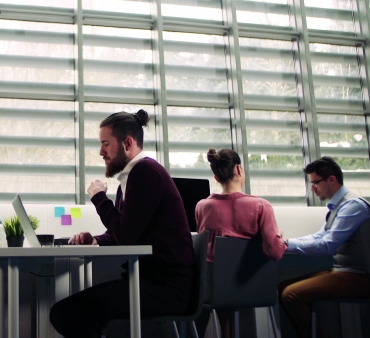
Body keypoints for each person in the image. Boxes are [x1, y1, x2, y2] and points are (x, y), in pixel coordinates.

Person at [49, 109, 195, 337]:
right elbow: (124, 232)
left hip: (166, 289)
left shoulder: (145, 173)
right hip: (152, 283)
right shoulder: (130, 179)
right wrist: (96, 239)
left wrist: (99, 198)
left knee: (66, 313)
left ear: (127, 143)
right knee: (71, 312)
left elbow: (126, 236)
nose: (101, 152)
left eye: (106, 143)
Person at [194, 148, 287, 337]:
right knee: (236, 290)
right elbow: (275, 252)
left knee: (216, 283)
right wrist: (278, 237)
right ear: (239, 169)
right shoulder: (261, 206)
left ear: (216, 177)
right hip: (245, 289)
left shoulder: (202, 207)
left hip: (210, 290)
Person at [279, 156, 370, 338]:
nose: (312, 189)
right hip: (345, 272)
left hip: (363, 276)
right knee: (283, 287)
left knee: (291, 295)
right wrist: (286, 243)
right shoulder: (339, 206)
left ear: (331, 179)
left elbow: (328, 245)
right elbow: (319, 236)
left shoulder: (353, 206)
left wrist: (287, 245)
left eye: (315, 183)